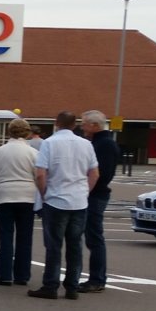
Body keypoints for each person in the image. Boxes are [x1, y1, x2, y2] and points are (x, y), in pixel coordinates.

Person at [29, 110, 99, 300]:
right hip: (79, 201)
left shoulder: (49, 143)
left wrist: (44, 194)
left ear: (56, 123)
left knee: (54, 245)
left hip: (56, 199)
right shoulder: (86, 144)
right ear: (74, 125)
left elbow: (40, 174)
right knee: (75, 246)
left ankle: (50, 285)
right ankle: (72, 287)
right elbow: (94, 173)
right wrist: (85, 191)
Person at [0, 117, 39, 286]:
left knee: (6, 236)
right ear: (28, 133)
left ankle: (5, 275)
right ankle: (22, 275)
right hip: (27, 195)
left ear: (9, 132)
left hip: (4, 194)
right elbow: (39, 176)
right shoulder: (33, 153)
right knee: (25, 237)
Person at [79, 110, 119, 292]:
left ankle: (97, 279)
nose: (82, 127)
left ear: (94, 125)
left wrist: (86, 189)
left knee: (94, 237)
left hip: (95, 195)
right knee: (92, 237)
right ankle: (96, 278)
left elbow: (102, 174)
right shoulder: (98, 143)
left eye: (84, 123)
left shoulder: (105, 145)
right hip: (94, 194)